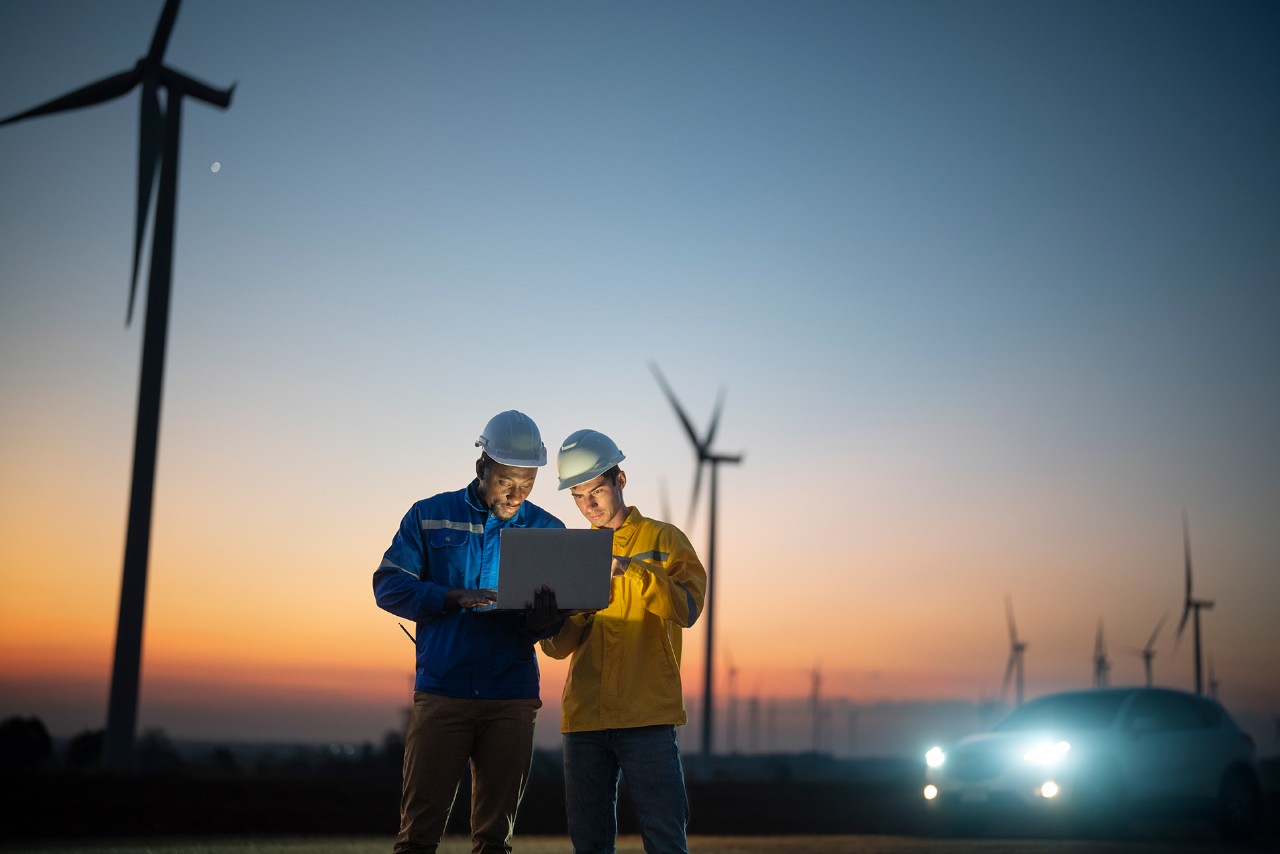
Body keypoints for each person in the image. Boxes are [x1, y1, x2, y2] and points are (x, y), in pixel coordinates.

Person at [373, 410, 566, 854]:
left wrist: (543, 622)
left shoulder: (548, 531)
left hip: (512, 698)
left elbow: (557, 622)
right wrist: (449, 596)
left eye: (528, 483)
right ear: (482, 467)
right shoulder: (429, 516)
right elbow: (388, 585)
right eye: (506, 481)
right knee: (419, 835)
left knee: (494, 841)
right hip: (443, 692)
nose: (517, 494)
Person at [540, 429, 707, 854]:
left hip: (647, 715)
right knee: (590, 844)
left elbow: (687, 609)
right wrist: (576, 608)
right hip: (585, 719)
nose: (589, 505)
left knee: (665, 839)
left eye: (596, 490)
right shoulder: (570, 554)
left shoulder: (665, 540)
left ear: (621, 480)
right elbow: (556, 648)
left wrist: (630, 570)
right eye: (578, 495)